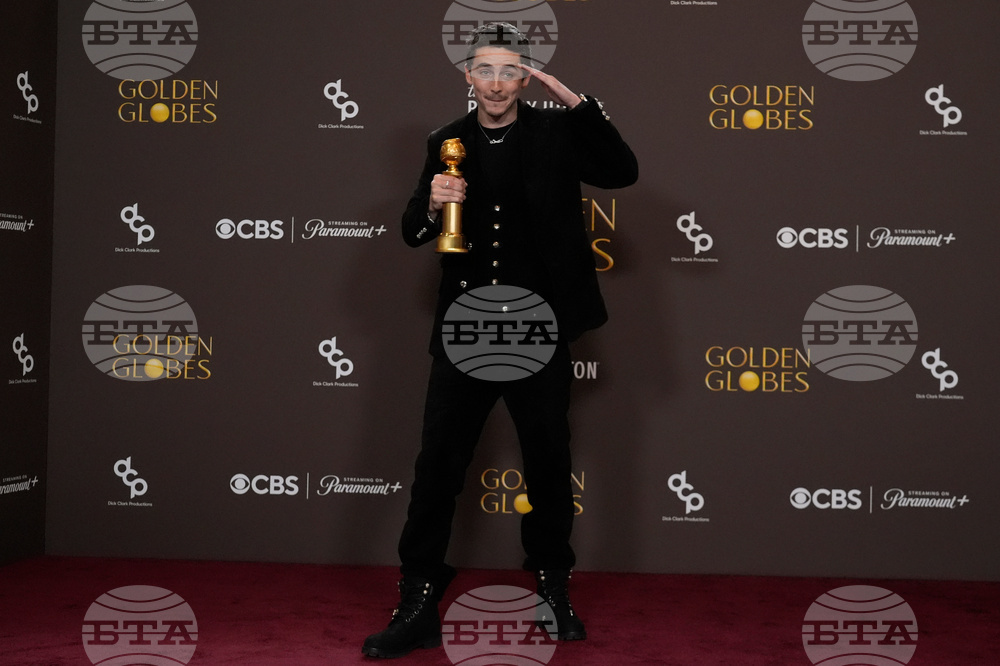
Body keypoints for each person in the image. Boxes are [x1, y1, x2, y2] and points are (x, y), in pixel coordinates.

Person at [362, 22, 638, 659]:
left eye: (507, 71)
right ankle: (417, 600)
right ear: (466, 74)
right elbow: (410, 230)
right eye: (482, 70)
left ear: (524, 77)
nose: (494, 83)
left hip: (538, 326)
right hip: (464, 328)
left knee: (547, 465)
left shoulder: (556, 131)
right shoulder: (445, 142)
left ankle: (552, 589)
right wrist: (431, 205)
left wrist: (576, 101)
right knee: (438, 470)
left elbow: (622, 171)